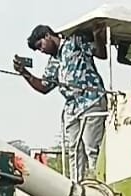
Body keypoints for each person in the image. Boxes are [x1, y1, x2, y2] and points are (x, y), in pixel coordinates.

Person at [15, 24, 108, 181]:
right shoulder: (53, 62)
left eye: (41, 45)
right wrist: (24, 73)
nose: (41, 50)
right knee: (74, 150)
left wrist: (98, 36)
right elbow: (44, 87)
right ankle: (77, 184)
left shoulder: (75, 42)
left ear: (47, 36)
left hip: (91, 101)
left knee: (92, 147)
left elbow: (101, 53)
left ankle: (98, 181)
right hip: (72, 107)